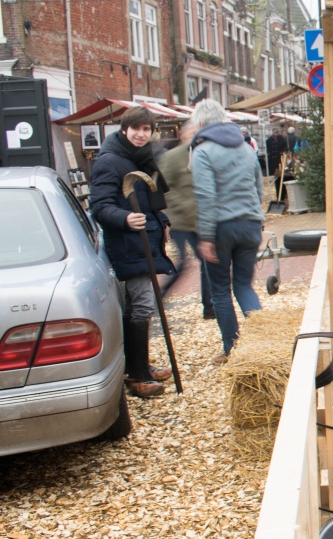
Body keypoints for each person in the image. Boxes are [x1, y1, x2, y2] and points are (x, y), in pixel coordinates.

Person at [89, 105, 176, 398]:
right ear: (125, 129)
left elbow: (150, 200)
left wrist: (162, 221)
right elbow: (100, 207)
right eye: (136, 129)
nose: (142, 134)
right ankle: (136, 374)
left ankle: (140, 365)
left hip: (146, 241)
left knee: (142, 305)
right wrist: (125, 218)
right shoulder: (110, 162)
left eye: (147, 129)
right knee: (141, 305)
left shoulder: (142, 157)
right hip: (128, 243)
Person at [189, 99, 265, 363]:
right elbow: (259, 189)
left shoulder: (202, 152)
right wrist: (258, 221)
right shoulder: (246, 148)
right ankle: (264, 341)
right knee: (244, 285)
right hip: (251, 224)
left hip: (221, 228)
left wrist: (206, 237)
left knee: (220, 289)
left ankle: (231, 348)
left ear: (200, 124)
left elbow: (206, 197)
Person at [158, 119, 215, 321]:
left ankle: (209, 307)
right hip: (180, 221)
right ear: (183, 135)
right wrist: (181, 206)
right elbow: (164, 187)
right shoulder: (172, 157)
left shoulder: (202, 154)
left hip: (198, 220)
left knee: (205, 262)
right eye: (190, 132)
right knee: (183, 263)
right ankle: (161, 297)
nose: (193, 135)